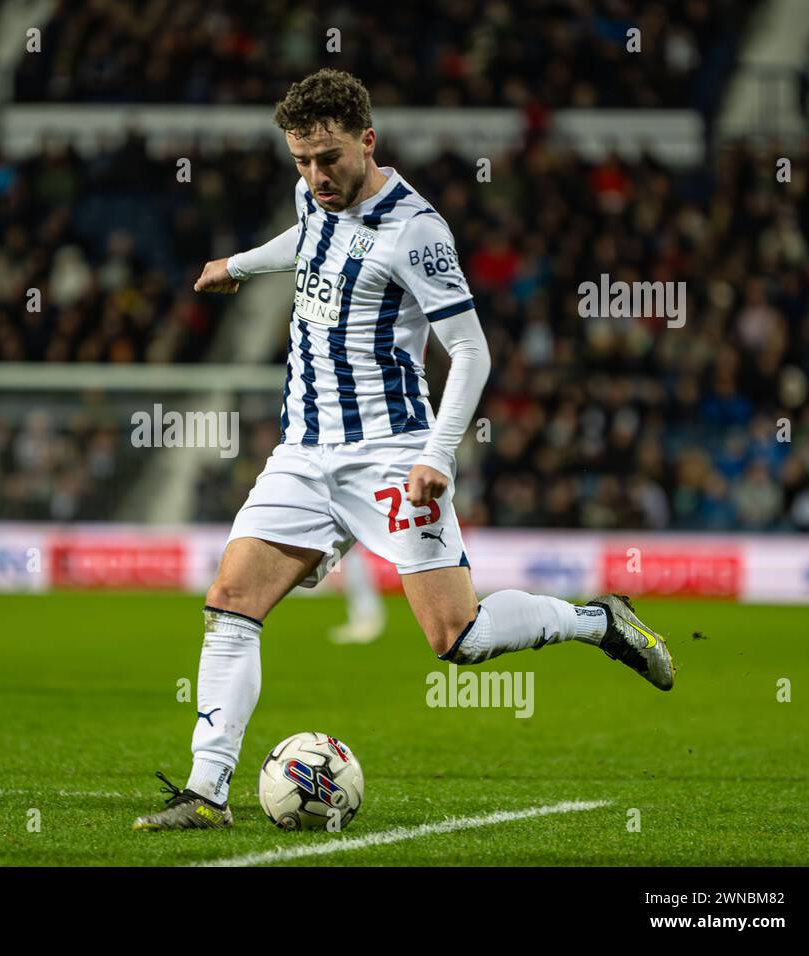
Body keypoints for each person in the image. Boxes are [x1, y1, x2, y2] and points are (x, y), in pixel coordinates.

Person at [132, 69, 675, 831]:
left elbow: (471, 351)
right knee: (230, 603)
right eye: (301, 161)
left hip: (392, 453)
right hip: (302, 449)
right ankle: (206, 793)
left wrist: (439, 456)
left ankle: (598, 622)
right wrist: (241, 265)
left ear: (367, 140)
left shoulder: (418, 231)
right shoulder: (311, 197)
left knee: (457, 638)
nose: (316, 177)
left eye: (329, 159)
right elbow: (311, 239)